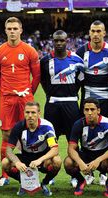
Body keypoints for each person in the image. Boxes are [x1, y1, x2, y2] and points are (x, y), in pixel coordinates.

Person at [0, 17, 40, 187]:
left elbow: (37, 77)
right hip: (7, 99)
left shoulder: (30, 51)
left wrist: (28, 94)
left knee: (29, 134)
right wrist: (6, 92)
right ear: (5, 31)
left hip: (25, 98)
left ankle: (32, 172)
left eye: (15, 28)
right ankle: (5, 174)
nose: (12, 31)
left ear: (21, 30)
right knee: (6, 134)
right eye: (9, 28)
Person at [76, 20, 108, 185]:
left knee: (106, 134)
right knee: (84, 133)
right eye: (93, 31)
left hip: (106, 101)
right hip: (87, 101)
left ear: (104, 33)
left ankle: (104, 172)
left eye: (99, 31)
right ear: (89, 32)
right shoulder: (81, 51)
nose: (95, 34)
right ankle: (86, 169)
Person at [40, 30, 84, 187]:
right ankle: (51, 172)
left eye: (62, 40)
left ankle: (74, 173)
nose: (59, 43)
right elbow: (44, 82)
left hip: (71, 104)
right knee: (51, 140)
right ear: (52, 41)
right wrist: (52, 95)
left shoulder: (77, 60)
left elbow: (80, 80)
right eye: (56, 41)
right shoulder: (45, 61)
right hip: (52, 105)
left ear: (67, 41)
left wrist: (70, 93)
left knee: (73, 140)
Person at [1, 101, 62, 196]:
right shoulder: (18, 127)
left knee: (57, 161)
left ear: (39, 113)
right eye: (27, 112)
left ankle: (45, 183)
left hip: (43, 159)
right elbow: (8, 150)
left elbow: (55, 149)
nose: (30, 115)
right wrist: (17, 162)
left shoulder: (47, 126)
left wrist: (39, 160)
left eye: (33, 112)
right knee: (5, 163)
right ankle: (25, 183)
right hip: (26, 158)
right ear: (24, 113)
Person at [64, 97, 108, 197]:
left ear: (98, 110)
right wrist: (80, 163)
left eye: (92, 109)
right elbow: (71, 148)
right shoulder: (78, 124)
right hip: (86, 155)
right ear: (83, 111)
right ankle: (81, 181)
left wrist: (98, 160)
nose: (89, 113)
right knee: (68, 162)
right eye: (86, 110)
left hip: (103, 157)